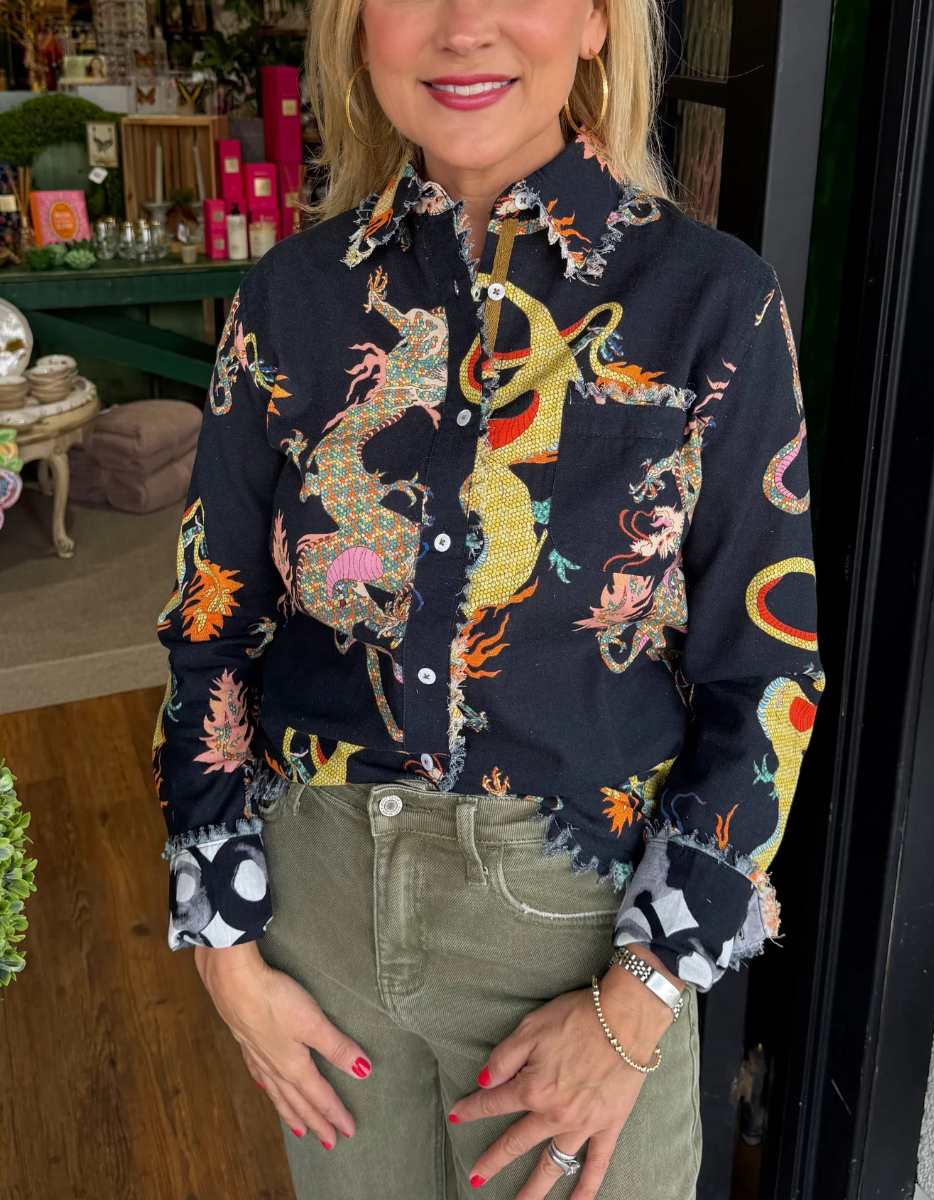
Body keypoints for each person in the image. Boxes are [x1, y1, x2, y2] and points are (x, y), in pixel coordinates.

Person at [153, 1, 823, 1196]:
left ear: (595, 23)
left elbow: (764, 671)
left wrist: (640, 998)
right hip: (316, 911)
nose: (462, 26)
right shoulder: (290, 297)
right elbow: (213, 621)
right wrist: (222, 947)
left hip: (573, 926)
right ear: (359, 28)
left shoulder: (709, 300)